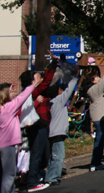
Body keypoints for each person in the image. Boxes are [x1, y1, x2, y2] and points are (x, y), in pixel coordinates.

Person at [21, 57, 57, 192]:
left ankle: (37, 176)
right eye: (37, 78)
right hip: (37, 125)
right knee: (37, 153)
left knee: (43, 153)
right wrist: (53, 65)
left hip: (42, 125)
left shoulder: (35, 92)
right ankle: (32, 182)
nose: (40, 79)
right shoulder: (32, 91)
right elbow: (47, 81)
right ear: (31, 81)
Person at [0, 77, 42, 193]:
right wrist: (33, 86)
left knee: (5, 175)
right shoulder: (8, 109)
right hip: (8, 145)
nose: (13, 94)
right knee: (9, 175)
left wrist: (10, 90)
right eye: (10, 93)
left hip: (3, 145)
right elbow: (21, 98)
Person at [44, 77, 79, 186]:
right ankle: (52, 177)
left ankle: (50, 175)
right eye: (60, 89)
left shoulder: (50, 103)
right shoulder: (58, 100)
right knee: (58, 156)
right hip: (57, 132)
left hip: (52, 132)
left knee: (52, 156)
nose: (62, 91)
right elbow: (69, 90)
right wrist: (75, 78)